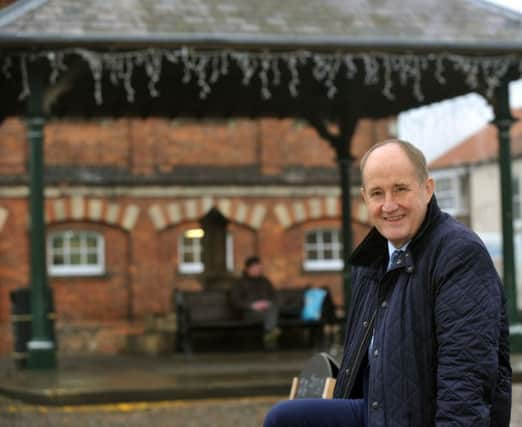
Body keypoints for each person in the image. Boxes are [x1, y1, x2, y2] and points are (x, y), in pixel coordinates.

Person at [264, 139, 511, 426]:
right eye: (377, 193)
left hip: (422, 415)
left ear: (427, 189)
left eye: (401, 189)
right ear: (365, 198)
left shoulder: (458, 253)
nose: (389, 205)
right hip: (376, 409)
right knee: (284, 418)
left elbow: (466, 377)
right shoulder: (372, 259)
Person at [230, 256, 281, 346]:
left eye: (259, 268)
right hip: (249, 313)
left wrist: (267, 303)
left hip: (267, 311)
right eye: (255, 268)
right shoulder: (239, 283)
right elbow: (235, 301)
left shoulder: (265, 281)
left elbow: (275, 297)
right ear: (248, 269)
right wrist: (253, 305)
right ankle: (271, 335)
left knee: (272, 310)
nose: (258, 270)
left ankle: (269, 334)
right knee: (271, 314)